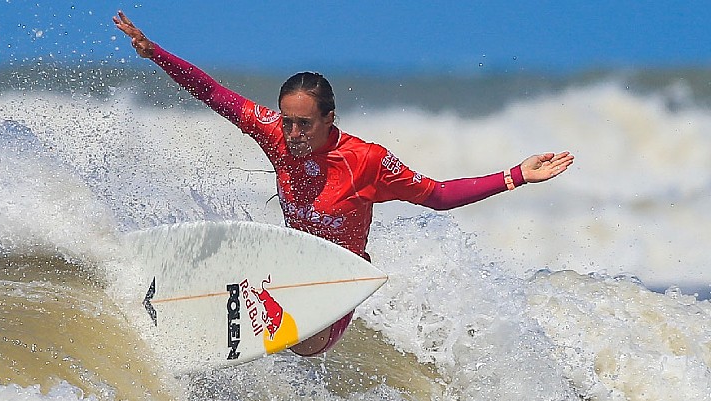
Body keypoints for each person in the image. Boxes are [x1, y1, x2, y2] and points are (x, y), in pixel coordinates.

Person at [113, 10, 574, 356]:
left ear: (330, 118)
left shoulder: (366, 161)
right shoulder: (275, 133)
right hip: (283, 268)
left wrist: (515, 176)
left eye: (304, 125)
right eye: (287, 122)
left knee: (297, 341)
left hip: (329, 294)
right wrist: (155, 53)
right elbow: (214, 93)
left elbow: (436, 195)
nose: (292, 134)